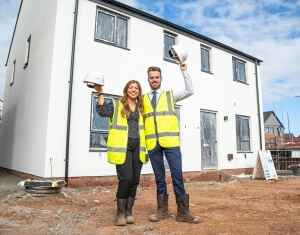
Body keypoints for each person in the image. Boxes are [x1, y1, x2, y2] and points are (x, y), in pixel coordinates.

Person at [142, 61, 200, 224]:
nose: (154, 80)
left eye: (156, 77)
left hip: (171, 142)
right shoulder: (144, 98)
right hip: (153, 144)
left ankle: (183, 212)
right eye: (151, 77)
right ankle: (162, 211)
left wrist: (184, 71)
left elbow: (190, 90)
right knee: (159, 178)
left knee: (177, 177)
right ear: (148, 80)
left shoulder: (170, 95)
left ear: (161, 78)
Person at [94, 80, 147, 226]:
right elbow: (102, 111)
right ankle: (120, 213)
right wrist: (100, 92)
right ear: (126, 90)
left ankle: (129, 212)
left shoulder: (141, 107)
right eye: (131, 87)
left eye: (136, 88)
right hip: (122, 147)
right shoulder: (117, 105)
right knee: (126, 179)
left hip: (139, 147)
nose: (134, 90)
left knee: (135, 180)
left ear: (139, 91)